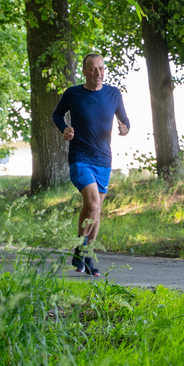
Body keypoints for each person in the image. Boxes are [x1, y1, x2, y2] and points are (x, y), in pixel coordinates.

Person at [52, 53, 130, 276]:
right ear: (85, 72)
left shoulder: (113, 94)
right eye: (93, 69)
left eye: (102, 68)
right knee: (93, 204)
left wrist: (125, 128)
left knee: (95, 210)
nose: (99, 73)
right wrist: (64, 129)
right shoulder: (73, 93)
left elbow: (125, 119)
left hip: (103, 160)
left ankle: (88, 255)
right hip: (80, 157)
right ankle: (81, 248)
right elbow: (57, 114)